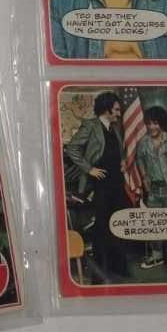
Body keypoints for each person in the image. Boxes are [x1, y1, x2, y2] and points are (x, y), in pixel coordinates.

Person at [63, 92, 131, 281]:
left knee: (118, 224)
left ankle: (119, 268)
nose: (119, 113)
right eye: (116, 110)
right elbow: (71, 148)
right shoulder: (90, 126)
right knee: (102, 227)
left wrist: (122, 161)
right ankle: (100, 273)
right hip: (100, 185)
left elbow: (118, 150)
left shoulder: (115, 127)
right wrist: (89, 169)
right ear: (106, 109)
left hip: (117, 183)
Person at [135, 106, 167, 275]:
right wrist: (144, 176)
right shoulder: (143, 142)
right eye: (149, 123)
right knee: (153, 223)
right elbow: (139, 159)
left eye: (155, 123)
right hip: (153, 191)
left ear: (162, 123)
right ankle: (157, 256)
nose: (151, 127)